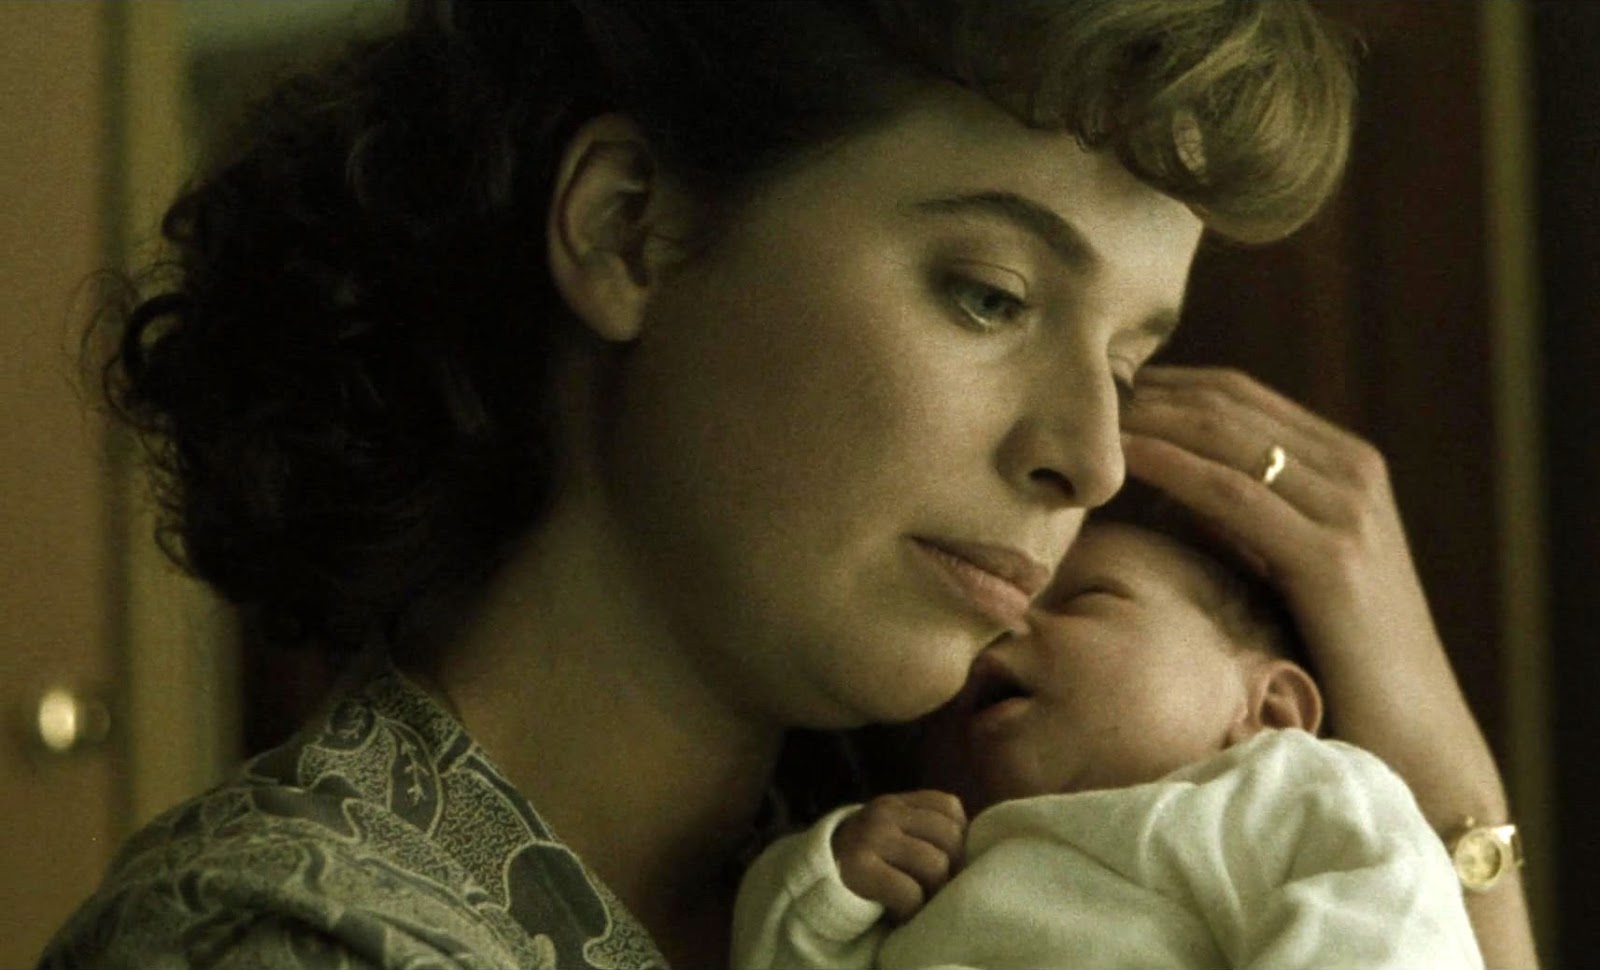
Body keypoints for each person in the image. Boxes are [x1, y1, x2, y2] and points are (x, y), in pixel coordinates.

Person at [38, 1, 1537, 968]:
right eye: (992, 294)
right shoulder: (285, 937)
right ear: (631, 231)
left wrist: (1442, 780)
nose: (1089, 456)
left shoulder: (973, 835)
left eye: (1132, 360)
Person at [731, 502, 1486, 968]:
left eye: (1087, 598)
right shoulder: (941, 862)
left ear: (1273, 711)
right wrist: (828, 890)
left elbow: (1390, 935)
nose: (1005, 631)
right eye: (978, 634)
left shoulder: (1280, 793)